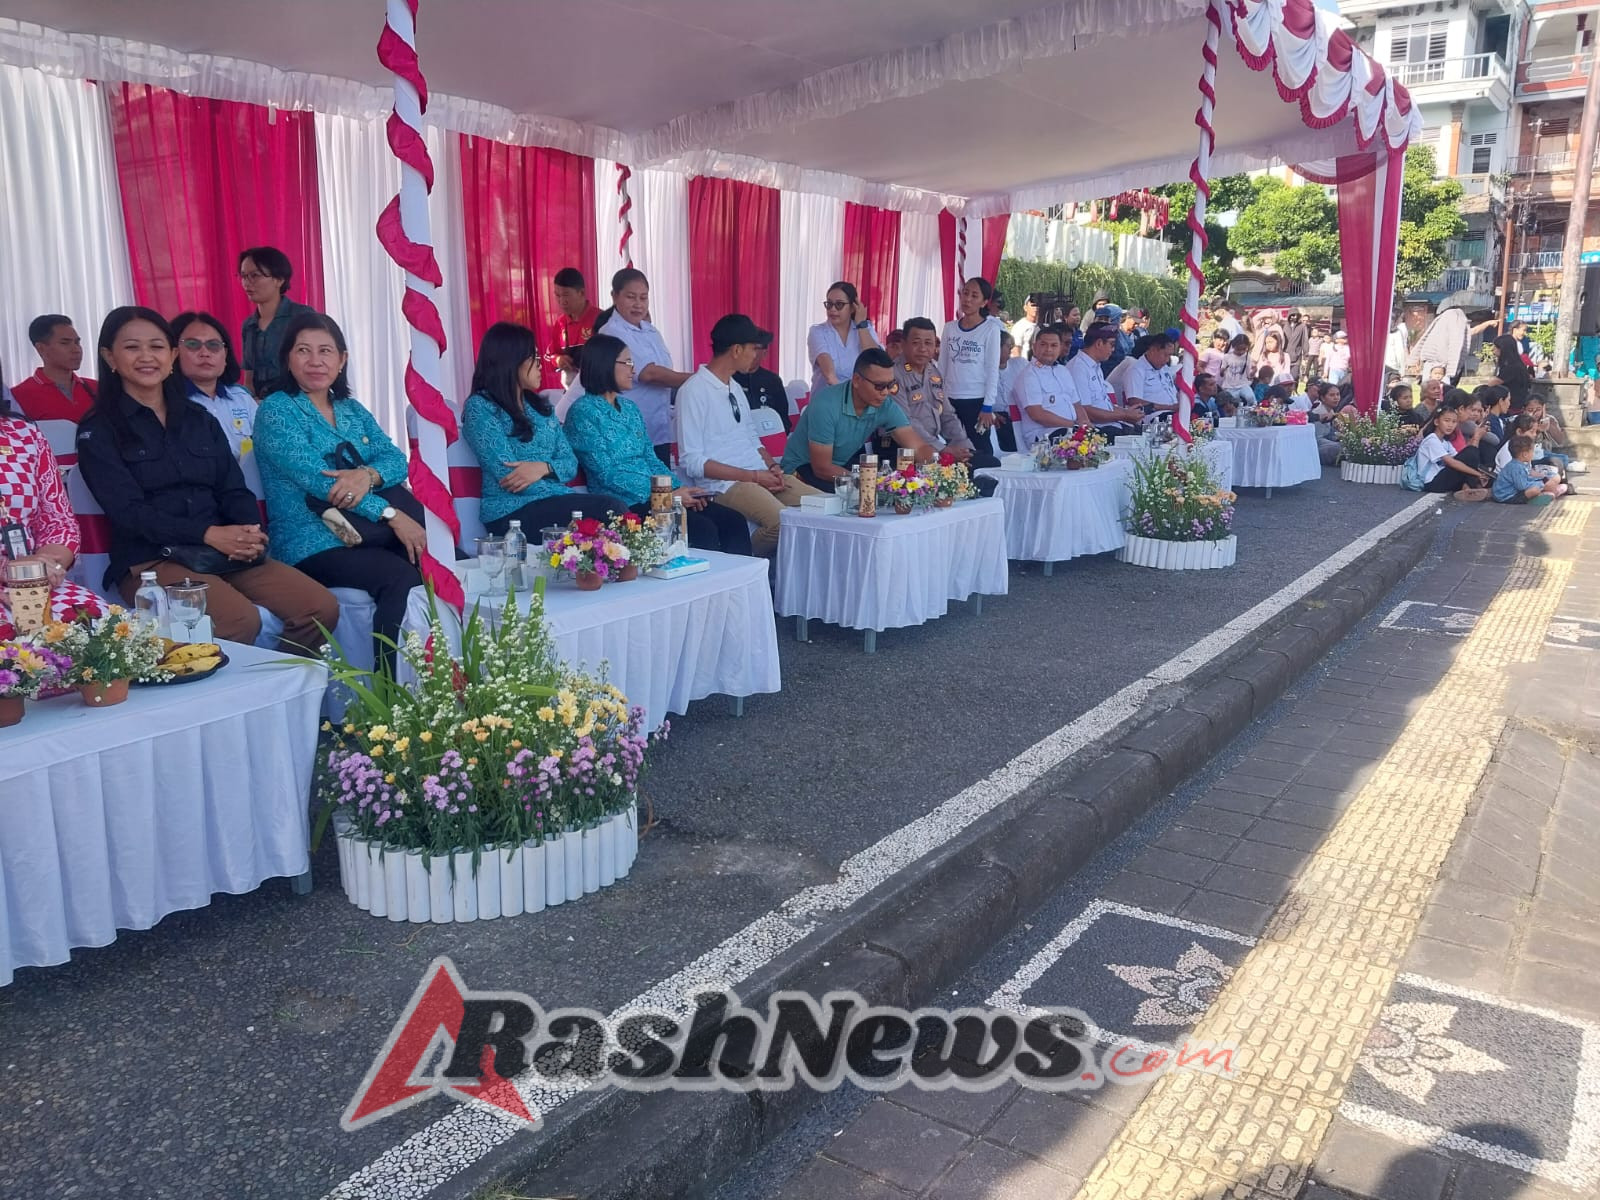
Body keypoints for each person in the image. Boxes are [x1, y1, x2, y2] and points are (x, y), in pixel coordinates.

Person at [76, 307, 338, 652]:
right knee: (239, 620)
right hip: (154, 560)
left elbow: (233, 487)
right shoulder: (99, 429)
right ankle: (227, 700)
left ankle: (274, 692)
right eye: (131, 348)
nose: (146, 357)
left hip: (222, 550)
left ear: (171, 356)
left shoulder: (199, 419)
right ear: (110, 356)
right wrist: (208, 534)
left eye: (156, 347)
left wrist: (247, 531)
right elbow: (129, 511)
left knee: (319, 608)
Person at [253, 312, 426, 670]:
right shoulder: (276, 411)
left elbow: (396, 460)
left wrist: (367, 474)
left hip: (369, 531)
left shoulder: (352, 409)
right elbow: (323, 483)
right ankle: (389, 694)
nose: (316, 361)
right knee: (400, 576)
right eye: (304, 350)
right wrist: (391, 515)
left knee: (439, 557)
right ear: (288, 357)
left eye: (326, 351)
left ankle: (450, 678)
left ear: (342, 359)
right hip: (311, 539)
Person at [566, 334, 752, 555]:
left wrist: (678, 490)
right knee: (702, 529)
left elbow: (650, 457)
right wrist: (666, 497)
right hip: (624, 503)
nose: (632, 370)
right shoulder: (583, 412)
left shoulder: (630, 408)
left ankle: (734, 589)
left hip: (659, 496)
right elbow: (607, 474)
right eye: (627, 363)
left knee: (733, 521)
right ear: (604, 363)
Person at [675, 314, 818, 556]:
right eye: (754, 348)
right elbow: (693, 462)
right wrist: (753, 476)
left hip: (757, 474)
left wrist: (772, 467)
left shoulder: (733, 386)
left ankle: (792, 575)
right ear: (736, 349)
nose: (757, 355)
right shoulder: (693, 391)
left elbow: (752, 437)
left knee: (827, 507)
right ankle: (742, 562)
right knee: (781, 522)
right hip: (725, 484)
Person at [462, 322, 622, 537]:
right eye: (534, 359)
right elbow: (509, 476)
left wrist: (544, 468)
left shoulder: (542, 408)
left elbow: (570, 464)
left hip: (555, 500)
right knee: (609, 509)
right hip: (511, 511)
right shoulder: (481, 407)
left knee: (614, 511)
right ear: (511, 360)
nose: (540, 366)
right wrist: (558, 487)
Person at [0, 391, 104, 633]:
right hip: (15, 579)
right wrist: (9, 569)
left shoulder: (23, 434)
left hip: (32, 584)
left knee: (101, 630)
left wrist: (46, 567)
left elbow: (58, 522)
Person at [779, 348, 932, 491]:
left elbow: (917, 447)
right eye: (879, 386)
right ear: (857, 380)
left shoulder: (885, 404)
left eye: (891, 385)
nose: (886, 392)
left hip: (841, 467)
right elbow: (821, 468)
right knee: (870, 498)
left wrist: (938, 472)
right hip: (800, 472)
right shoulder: (826, 404)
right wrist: (871, 483)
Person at [597, 269, 691, 462]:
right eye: (631, 297)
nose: (638, 305)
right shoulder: (612, 332)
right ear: (614, 296)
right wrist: (701, 378)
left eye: (644, 298)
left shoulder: (651, 331)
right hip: (628, 430)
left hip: (659, 428)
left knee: (662, 486)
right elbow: (650, 374)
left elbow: (666, 370)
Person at [172, 311, 262, 496]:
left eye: (214, 346)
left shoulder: (241, 398)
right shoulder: (167, 402)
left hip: (253, 492)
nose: (204, 353)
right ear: (173, 352)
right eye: (192, 345)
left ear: (225, 353)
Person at [892, 317, 996, 469]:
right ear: (903, 344)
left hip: (935, 448)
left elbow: (947, 415)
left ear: (935, 346)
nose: (922, 349)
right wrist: (943, 450)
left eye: (928, 343)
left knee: (987, 464)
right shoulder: (894, 374)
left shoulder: (933, 372)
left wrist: (965, 448)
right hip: (905, 450)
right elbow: (906, 422)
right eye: (916, 343)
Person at [940, 277, 1005, 460]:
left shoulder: (990, 329)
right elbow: (943, 365)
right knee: (954, 449)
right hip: (950, 399)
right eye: (965, 293)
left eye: (974, 295)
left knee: (979, 449)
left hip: (976, 401)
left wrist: (987, 406)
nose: (967, 299)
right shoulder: (950, 328)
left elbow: (993, 369)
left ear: (984, 302)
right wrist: (940, 397)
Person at [238, 246, 315, 400]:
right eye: (244, 276)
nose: (247, 283)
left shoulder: (302, 316)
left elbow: (313, 370)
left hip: (298, 405)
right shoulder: (249, 326)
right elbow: (249, 379)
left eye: (255, 275)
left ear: (279, 280)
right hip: (261, 407)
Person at [10, 314, 98, 427]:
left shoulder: (96, 388)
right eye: (65, 343)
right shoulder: (18, 396)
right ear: (41, 348)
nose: (76, 349)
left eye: (77, 342)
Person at [1013, 326, 1083, 448]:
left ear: (1060, 348)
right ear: (1034, 347)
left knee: (1097, 435)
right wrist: (1073, 425)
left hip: (1069, 430)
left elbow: (1076, 404)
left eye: (1054, 345)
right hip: (1042, 436)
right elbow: (1037, 415)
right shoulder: (1029, 375)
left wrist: (1085, 425)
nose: (1048, 349)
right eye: (1043, 345)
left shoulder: (1063, 371)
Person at [1067, 324, 1144, 436]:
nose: (1113, 350)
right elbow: (1086, 411)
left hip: (1110, 425)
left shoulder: (1096, 366)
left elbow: (1105, 405)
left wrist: (1128, 413)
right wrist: (1124, 415)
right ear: (1099, 343)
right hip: (1096, 431)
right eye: (1111, 345)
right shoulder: (1078, 368)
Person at [808, 280, 880, 397]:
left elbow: (875, 360)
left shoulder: (865, 329)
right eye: (829, 304)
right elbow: (829, 374)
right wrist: (847, 398)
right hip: (828, 400)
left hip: (860, 402)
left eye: (839, 304)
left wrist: (861, 325)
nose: (833, 309)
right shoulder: (817, 332)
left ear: (853, 307)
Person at [542, 267, 602, 391]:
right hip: (570, 391)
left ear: (581, 293)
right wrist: (558, 360)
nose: (562, 301)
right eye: (557, 296)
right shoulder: (560, 323)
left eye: (566, 295)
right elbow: (550, 354)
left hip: (596, 391)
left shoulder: (600, 319)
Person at [1417, 405, 1490, 499]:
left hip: (1441, 477)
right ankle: (1469, 487)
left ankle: (1468, 488)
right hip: (1432, 483)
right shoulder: (1431, 440)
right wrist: (1478, 474)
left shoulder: (1445, 442)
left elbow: (1461, 458)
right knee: (1471, 452)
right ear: (1436, 422)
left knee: (1471, 453)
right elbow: (1452, 462)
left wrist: (1476, 436)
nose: (1450, 425)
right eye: (1446, 421)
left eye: (1454, 422)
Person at [1108, 332, 1179, 417]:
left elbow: (1174, 393)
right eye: (1165, 355)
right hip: (1155, 418)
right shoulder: (1136, 370)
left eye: (1170, 356)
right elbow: (1134, 402)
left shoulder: (1164, 369)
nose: (1167, 360)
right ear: (1153, 350)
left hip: (1174, 413)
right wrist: (1169, 407)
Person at [732, 340, 793, 433]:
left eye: (754, 348)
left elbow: (783, 420)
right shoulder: (730, 379)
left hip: (769, 435)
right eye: (745, 348)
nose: (749, 353)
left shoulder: (772, 380)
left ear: (764, 353)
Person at [1493, 434, 1567, 505]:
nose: (1533, 454)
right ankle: (1536, 498)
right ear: (1525, 454)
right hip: (1507, 496)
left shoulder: (1521, 465)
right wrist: (1541, 484)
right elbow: (1522, 486)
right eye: (1532, 451)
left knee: (1541, 486)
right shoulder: (1516, 468)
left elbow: (1526, 478)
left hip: (1514, 491)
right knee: (1534, 490)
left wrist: (1540, 479)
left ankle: (1548, 492)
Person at [1218, 334, 1254, 407]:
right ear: (1233, 346)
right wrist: (1222, 370)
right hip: (1229, 386)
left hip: (1243, 384)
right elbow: (1221, 372)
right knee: (1233, 404)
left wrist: (1254, 371)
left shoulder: (1247, 356)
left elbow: (1249, 374)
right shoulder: (1227, 357)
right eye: (1238, 349)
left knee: (1251, 398)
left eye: (1244, 349)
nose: (1241, 352)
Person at [1009, 293, 1042, 360]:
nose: (1036, 308)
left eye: (1038, 305)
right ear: (1025, 308)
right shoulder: (1020, 326)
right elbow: (1016, 350)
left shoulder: (1042, 326)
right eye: (1033, 305)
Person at [1282, 310, 1309, 385]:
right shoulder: (1284, 325)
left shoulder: (1302, 326)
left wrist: (1306, 355)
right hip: (1285, 355)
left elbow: (1305, 340)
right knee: (1285, 377)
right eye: (1292, 315)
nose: (1294, 317)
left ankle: (1294, 391)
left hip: (1296, 356)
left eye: (1296, 315)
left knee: (1294, 376)